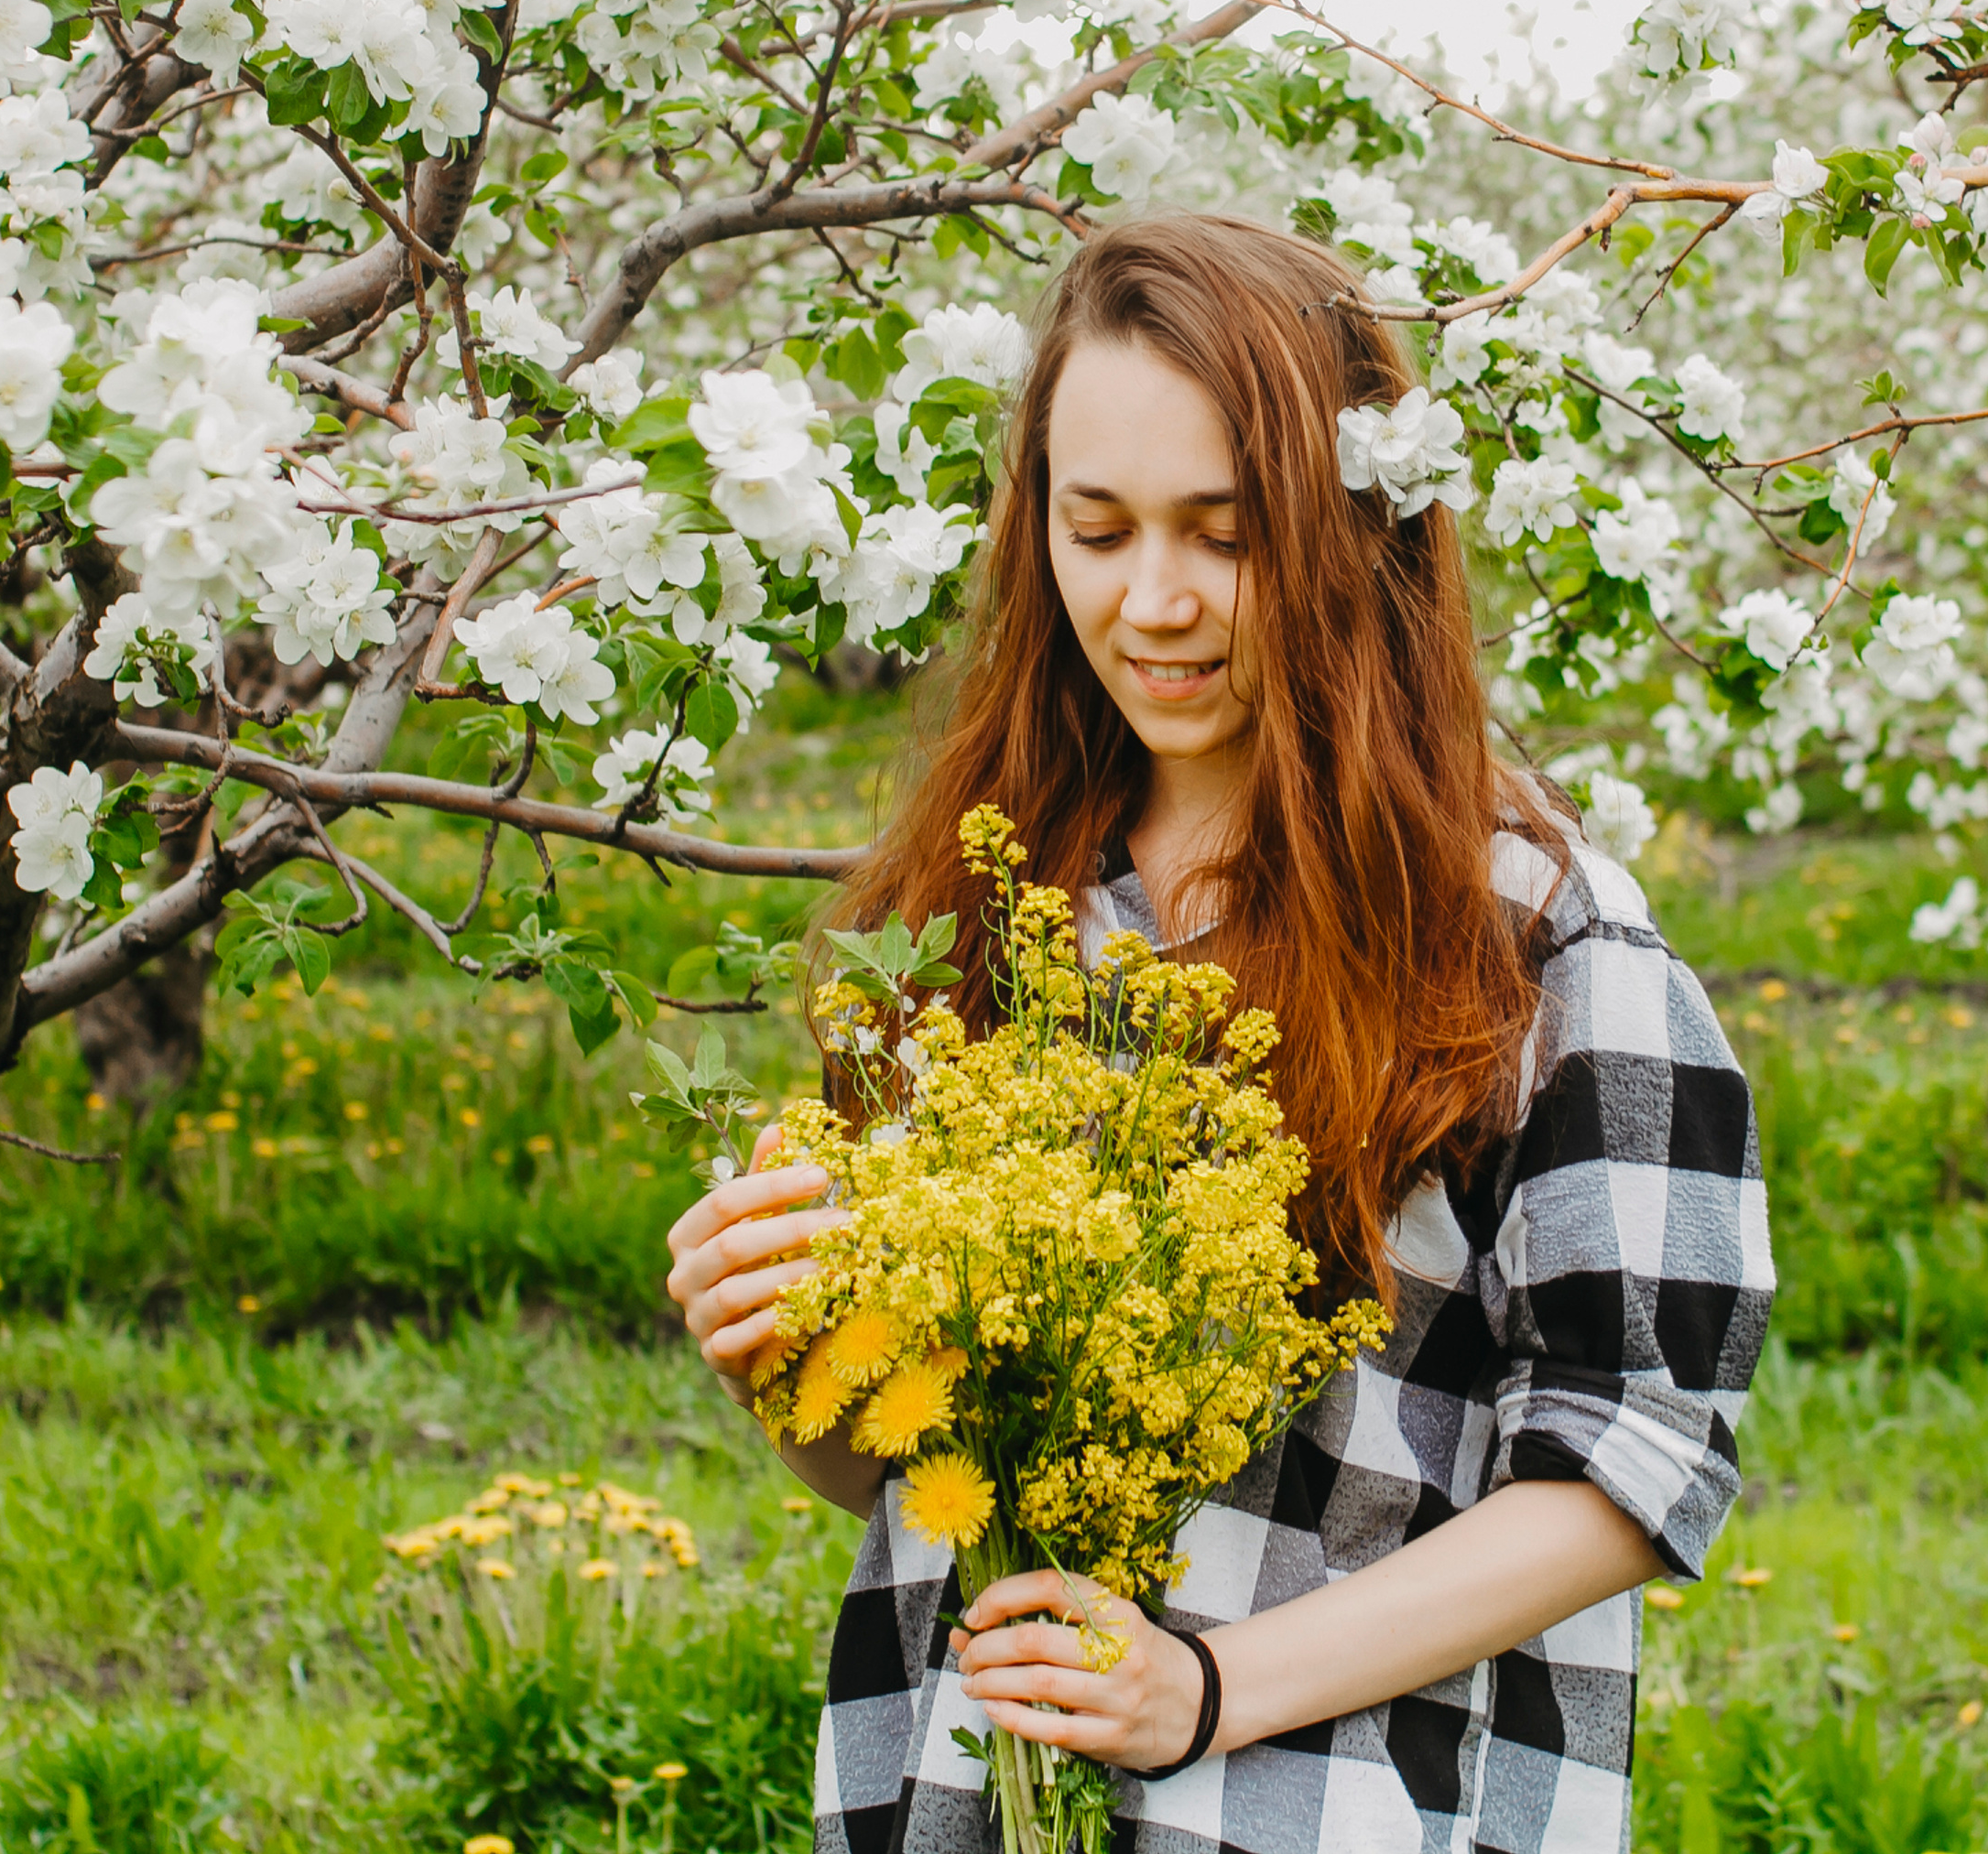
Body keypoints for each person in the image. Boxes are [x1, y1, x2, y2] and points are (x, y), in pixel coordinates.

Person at [665, 214, 1775, 1854]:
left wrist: (1206, 1686)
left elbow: (1636, 1461)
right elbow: (924, 1477)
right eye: (1096, 530)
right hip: (961, 1795)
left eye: (1227, 536)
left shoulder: (1536, 940)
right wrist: (781, 1359)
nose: (1155, 604)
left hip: (1360, 1810)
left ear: (1360, 532)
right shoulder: (980, 905)